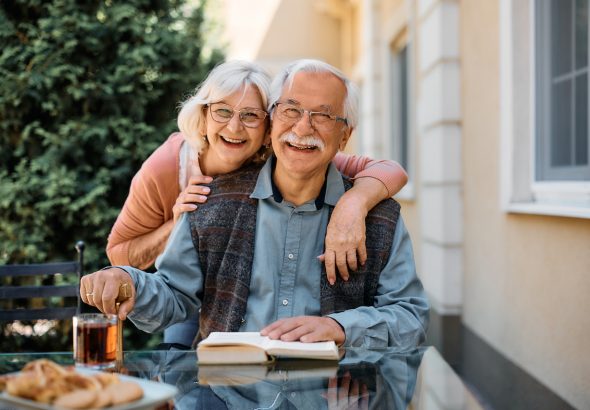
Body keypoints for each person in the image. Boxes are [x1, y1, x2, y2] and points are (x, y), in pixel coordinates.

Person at [82, 59, 428, 350]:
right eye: (291, 110)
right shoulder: (208, 200)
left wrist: (342, 328)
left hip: (338, 392)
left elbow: (411, 318)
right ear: (274, 119)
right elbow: (174, 294)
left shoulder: (379, 217)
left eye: (322, 116)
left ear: (345, 136)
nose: (303, 127)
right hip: (227, 394)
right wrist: (128, 280)